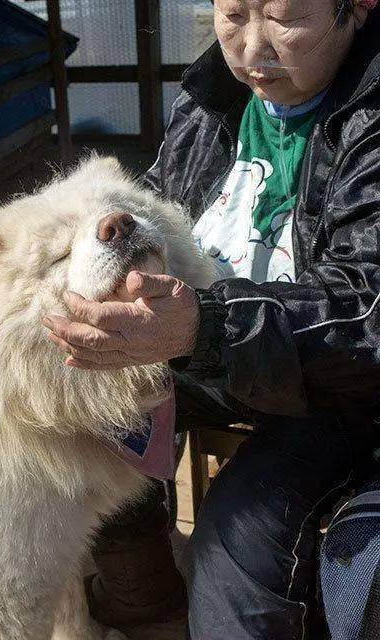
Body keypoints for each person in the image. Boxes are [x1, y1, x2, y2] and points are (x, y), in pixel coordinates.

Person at [43, 1, 380, 638]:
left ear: (358, 7)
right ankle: (143, 594)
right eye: (233, 15)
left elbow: (368, 309)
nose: (252, 50)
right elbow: (157, 203)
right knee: (73, 423)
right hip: (197, 348)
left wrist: (210, 326)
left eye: (285, 18)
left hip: (327, 383)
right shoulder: (212, 98)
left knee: (239, 531)